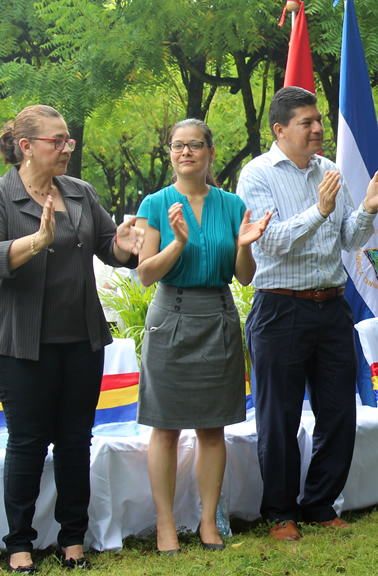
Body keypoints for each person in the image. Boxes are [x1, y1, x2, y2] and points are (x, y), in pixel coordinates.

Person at [0, 104, 144, 573]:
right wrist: (35, 242)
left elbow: (111, 247)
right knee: (28, 439)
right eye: (56, 141)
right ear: (26, 146)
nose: (67, 148)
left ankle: (72, 540)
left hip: (80, 337)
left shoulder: (81, 193)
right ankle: (19, 544)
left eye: (68, 140)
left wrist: (125, 246)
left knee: (74, 440)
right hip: (16, 341)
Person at [238, 87, 378, 541]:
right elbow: (267, 241)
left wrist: (368, 207)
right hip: (280, 307)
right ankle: (280, 512)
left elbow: (348, 238)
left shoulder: (330, 170)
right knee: (280, 418)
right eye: (306, 122)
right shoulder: (256, 175)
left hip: (332, 307)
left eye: (319, 121)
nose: (317, 129)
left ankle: (319, 503)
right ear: (280, 129)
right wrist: (318, 211)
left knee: (338, 414)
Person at [134, 119, 272, 554]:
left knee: (212, 427)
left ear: (211, 152)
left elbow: (244, 277)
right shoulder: (155, 203)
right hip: (170, 315)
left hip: (218, 314)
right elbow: (144, 273)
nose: (186, 152)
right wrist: (177, 242)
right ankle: (165, 525)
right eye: (178, 146)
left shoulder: (232, 205)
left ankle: (209, 523)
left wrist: (246, 244)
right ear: (169, 153)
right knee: (166, 426)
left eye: (195, 145)